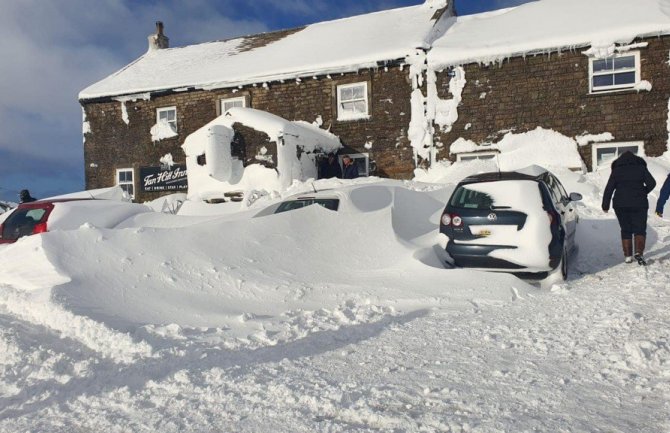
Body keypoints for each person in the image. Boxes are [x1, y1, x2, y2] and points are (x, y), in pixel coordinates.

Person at [602, 151, 656, 265]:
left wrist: (605, 205)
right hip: (639, 203)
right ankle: (639, 253)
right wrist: (643, 191)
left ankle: (627, 256)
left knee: (625, 228)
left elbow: (609, 189)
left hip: (620, 204)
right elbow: (652, 183)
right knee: (640, 228)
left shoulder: (616, 171)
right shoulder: (641, 168)